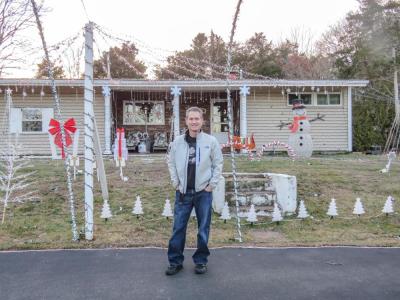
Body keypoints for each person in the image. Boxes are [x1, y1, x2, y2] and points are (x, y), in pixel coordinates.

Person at [166, 106, 223, 276]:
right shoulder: (177, 142)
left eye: (197, 118)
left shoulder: (211, 142)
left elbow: (218, 164)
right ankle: (175, 262)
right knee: (178, 228)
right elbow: (170, 162)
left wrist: (211, 185)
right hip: (183, 192)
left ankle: (201, 261)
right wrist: (175, 182)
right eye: (191, 119)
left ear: (202, 121)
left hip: (203, 192)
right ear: (186, 121)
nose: (194, 121)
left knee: (203, 228)